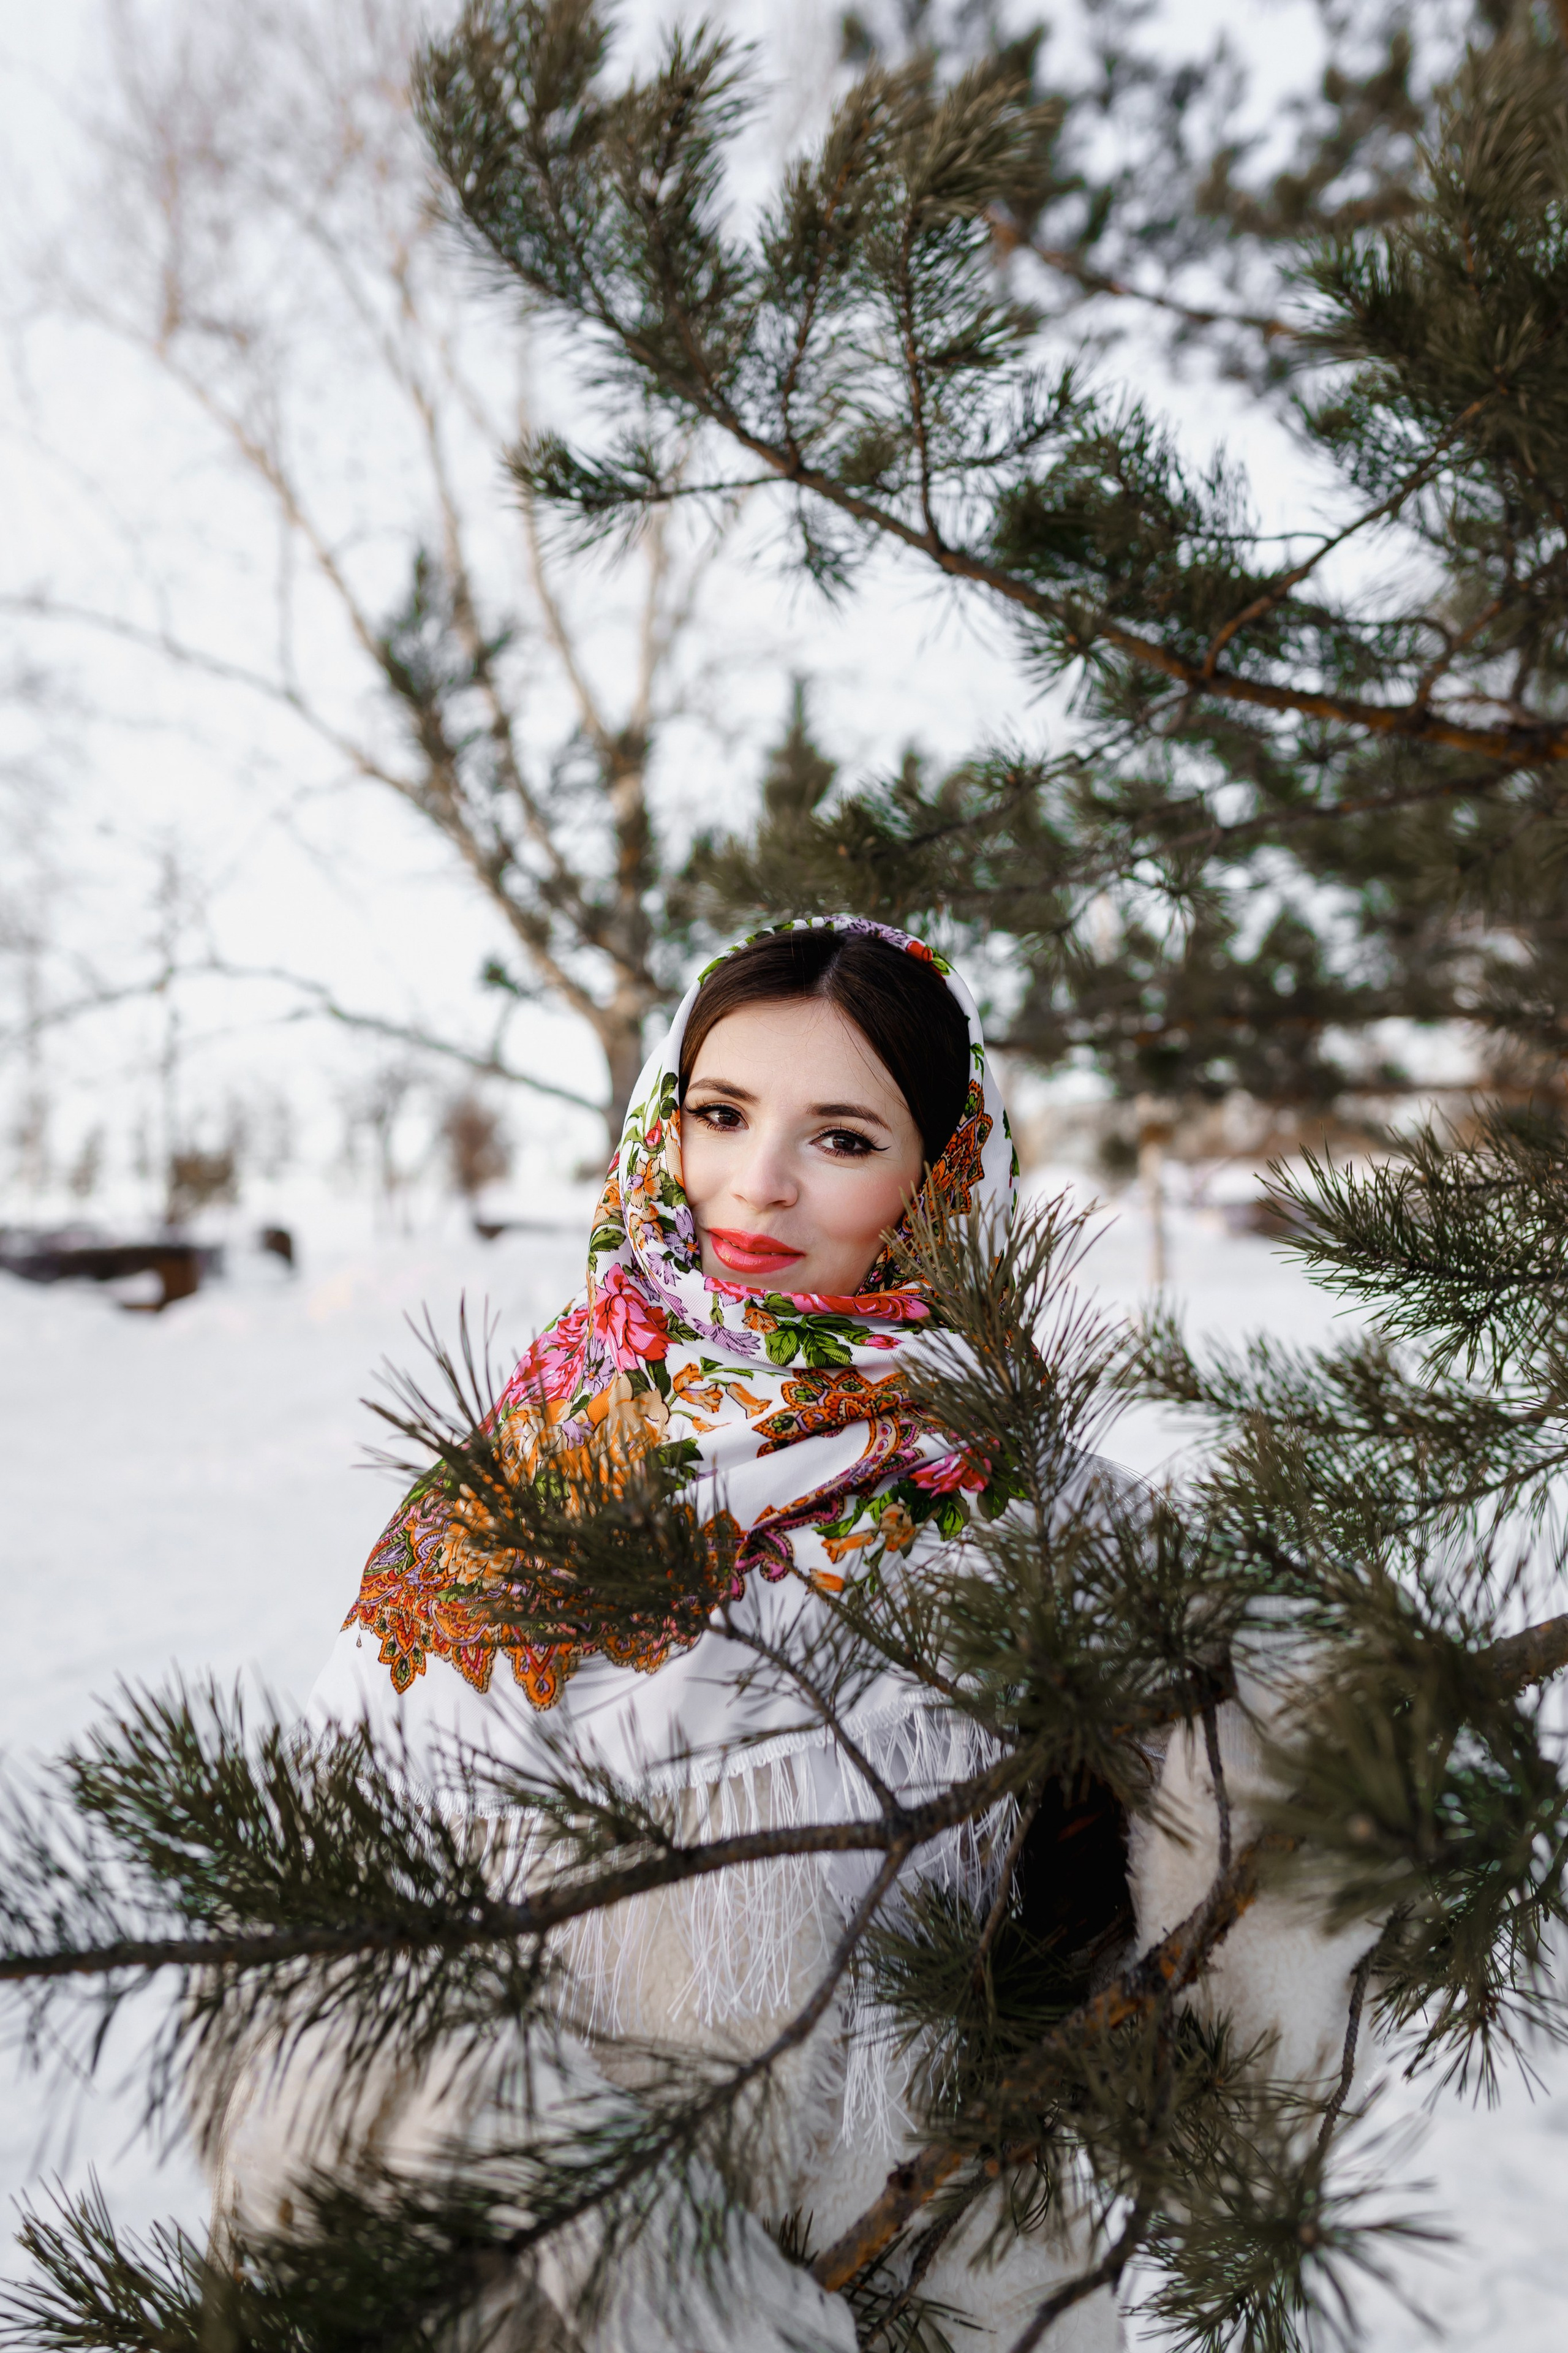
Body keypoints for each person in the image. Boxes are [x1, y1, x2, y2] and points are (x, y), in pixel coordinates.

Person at [209, 918, 1366, 2351]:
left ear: (941, 1176)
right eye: (720, 1113)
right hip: (546, 2285)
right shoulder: (520, 1472)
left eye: (839, 1137)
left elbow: (1263, 1904)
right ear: (659, 1126)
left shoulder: (1050, 1524)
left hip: (922, 2279)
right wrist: (658, 2275)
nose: (755, 1184)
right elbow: (322, 1939)